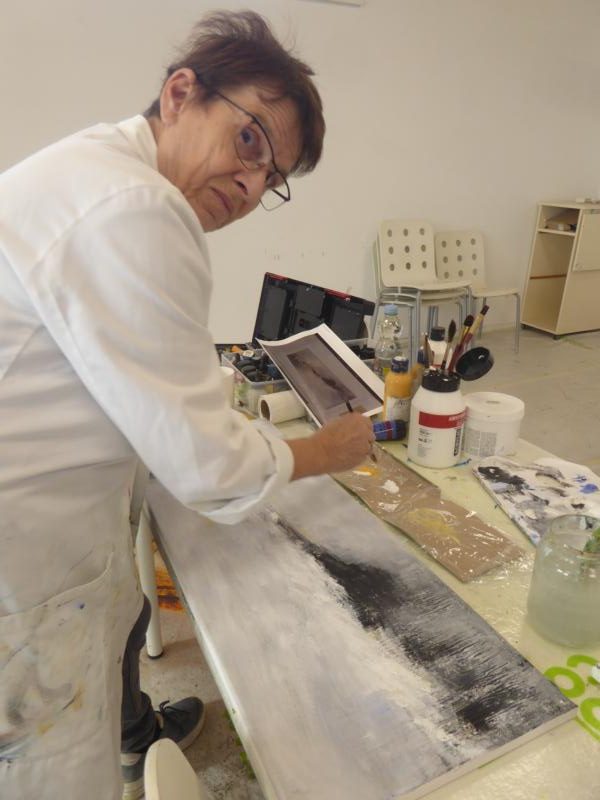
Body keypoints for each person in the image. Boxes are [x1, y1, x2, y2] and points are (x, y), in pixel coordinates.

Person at [0, 10, 374, 800]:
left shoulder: (92, 168)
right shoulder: (134, 206)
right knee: (52, 775)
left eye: (271, 178)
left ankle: (131, 728)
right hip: (22, 570)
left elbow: (143, 383)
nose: (251, 186)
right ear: (180, 94)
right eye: (250, 141)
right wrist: (324, 451)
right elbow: (207, 469)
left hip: (39, 534)